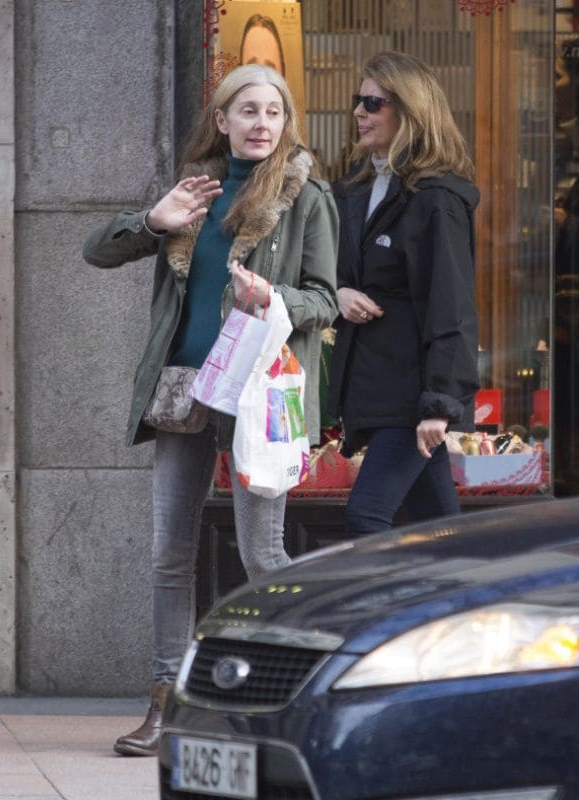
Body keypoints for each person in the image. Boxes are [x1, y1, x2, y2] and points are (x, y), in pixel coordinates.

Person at [82, 64, 338, 755]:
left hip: (258, 394)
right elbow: (96, 251)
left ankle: (292, 696)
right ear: (222, 120)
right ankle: (169, 703)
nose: (262, 123)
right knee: (170, 553)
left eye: (274, 112)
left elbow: (327, 297)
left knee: (263, 551)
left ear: (286, 124)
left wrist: (275, 299)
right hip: (185, 390)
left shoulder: (305, 196)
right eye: (247, 110)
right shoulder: (193, 193)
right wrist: (151, 221)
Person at [328, 51, 479, 534]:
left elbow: (451, 305)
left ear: (409, 111)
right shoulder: (356, 188)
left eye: (373, 103)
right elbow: (330, 270)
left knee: (367, 515)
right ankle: (469, 609)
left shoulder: (435, 199)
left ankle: (373, 613)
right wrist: (337, 292)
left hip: (411, 395)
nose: (359, 112)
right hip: (375, 386)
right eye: (358, 101)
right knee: (435, 532)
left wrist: (440, 403)